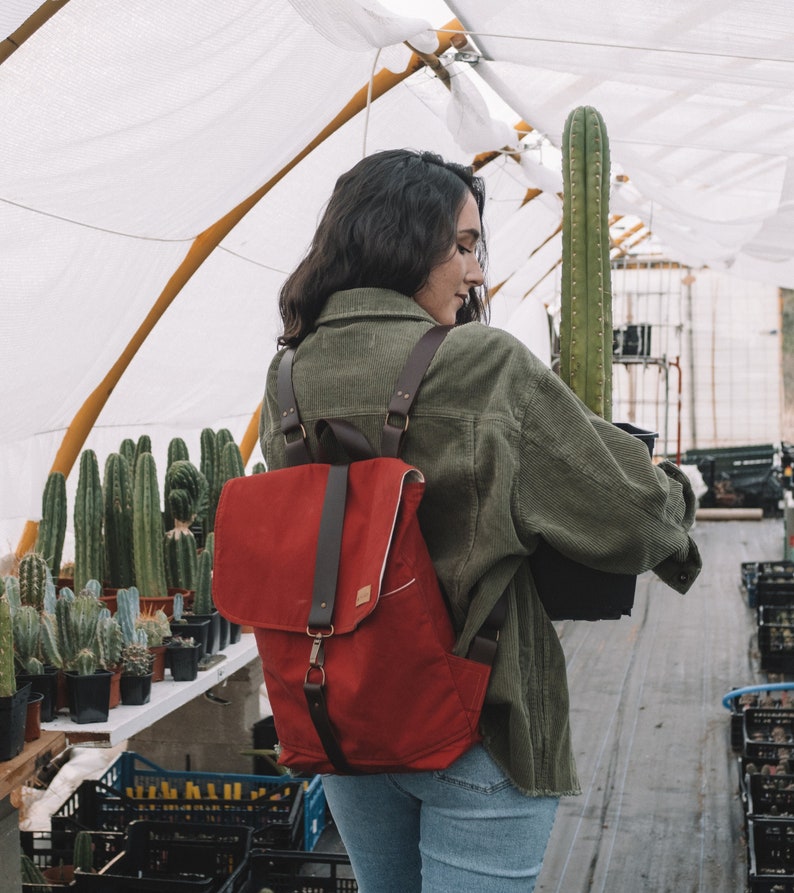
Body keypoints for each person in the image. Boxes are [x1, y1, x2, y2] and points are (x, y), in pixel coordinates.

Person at [259, 148, 701, 893]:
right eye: (462, 245)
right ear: (399, 237)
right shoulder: (480, 364)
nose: (476, 272)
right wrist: (675, 492)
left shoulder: (287, 376)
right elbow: (626, 513)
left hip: (344, 719)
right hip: (477, 726)